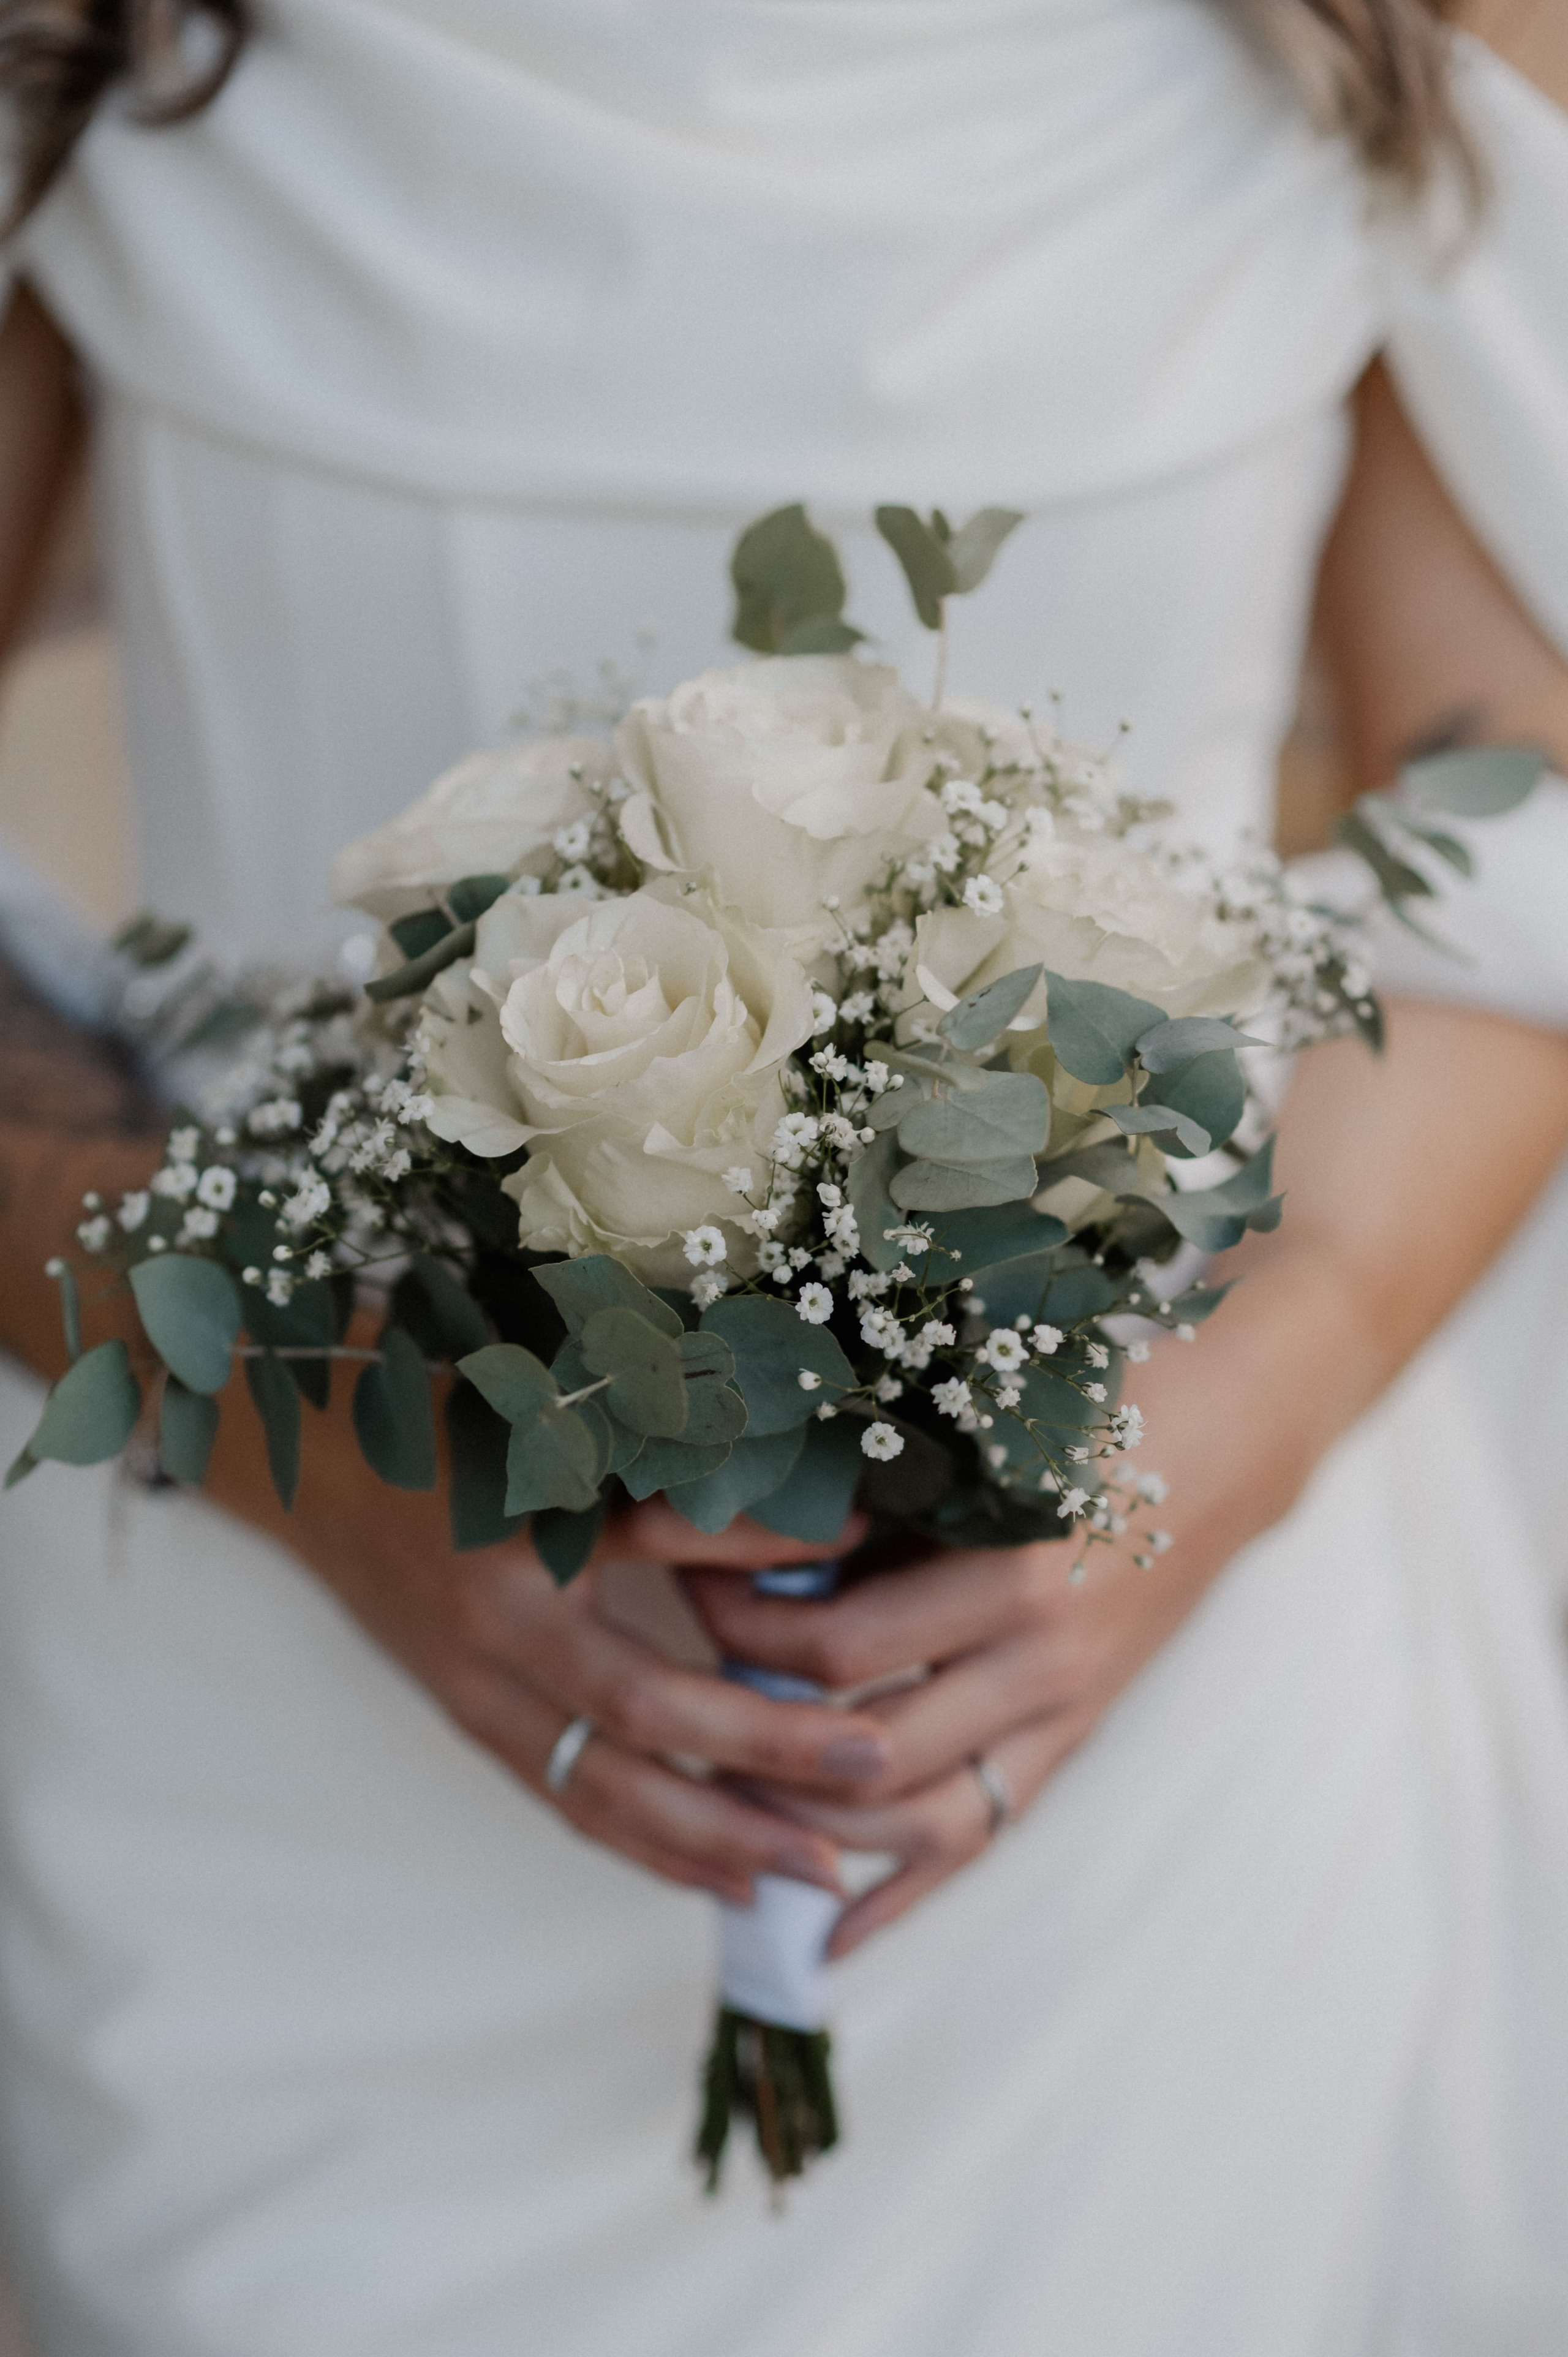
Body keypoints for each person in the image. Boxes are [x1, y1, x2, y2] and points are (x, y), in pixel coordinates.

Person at [1, 1, 1567, 2348]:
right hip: (297, 1747)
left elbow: (1508, 807)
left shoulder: (1348, 34)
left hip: (1138, 1748)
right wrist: (329, 1465)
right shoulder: (112, 44)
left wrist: (1230, 1429)